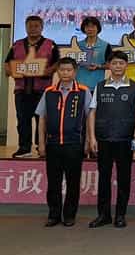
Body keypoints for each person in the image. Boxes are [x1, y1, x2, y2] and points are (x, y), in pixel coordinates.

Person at [35, 57, 92, 227]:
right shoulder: (49, 92)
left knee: (73, 182)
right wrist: (41, 143)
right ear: (57, 72)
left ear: (75, 72)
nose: (65, 73)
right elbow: (42, 119)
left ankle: (69, 215)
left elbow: (90, 118)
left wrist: (88, 141)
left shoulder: (83, 91)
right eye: (62, 70)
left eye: (69, 70)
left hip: (74, 144)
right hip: (53, 144)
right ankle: (54, 215)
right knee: (53, 182)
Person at [87, 50, 135, 228]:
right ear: (108, 65)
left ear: (126, 65)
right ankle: (104, 215)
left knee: (124, 178)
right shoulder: (100, 86)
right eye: (114, 63)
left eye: (121, 63)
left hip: (125, 139)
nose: (117, 66)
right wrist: (92, 138)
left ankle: (120, 215)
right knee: (104, 178)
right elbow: (92, 113)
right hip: (103, 138)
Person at [4, 15, 60, 158]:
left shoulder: (51, 44)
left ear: (42, 27)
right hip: (21, 90)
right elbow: (7, 63)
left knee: (42, 119)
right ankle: (24, 148)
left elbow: (57, 63)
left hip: (42, 90)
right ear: (25, 27)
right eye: (30, 26)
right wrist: (11, 71)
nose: (33, 29)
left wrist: (48, 71)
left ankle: (41, 147)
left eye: (36, 26)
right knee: (22, 120)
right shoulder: (17, 45)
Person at [74, 16, 113, 94]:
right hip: (79, 85)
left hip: (97, 85)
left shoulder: (105, 45)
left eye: (93, 26)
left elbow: (111, 65)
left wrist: (98, 66)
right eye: (87, 27)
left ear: (98, 28)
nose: (90, 29)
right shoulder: (77, 45)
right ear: (83, 29)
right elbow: (71, 64)